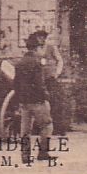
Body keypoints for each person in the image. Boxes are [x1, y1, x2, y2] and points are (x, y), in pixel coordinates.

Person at [14, 33, 55, 164]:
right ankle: (43, 153)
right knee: (46, 125)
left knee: (25, 130)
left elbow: (15, 84)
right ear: (37, 48)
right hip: (37, 100)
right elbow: (39, 83)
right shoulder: (37, 63)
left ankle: (25, 156)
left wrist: (19, 100)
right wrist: (45, 97)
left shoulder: (19, 63)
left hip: (24, 101)